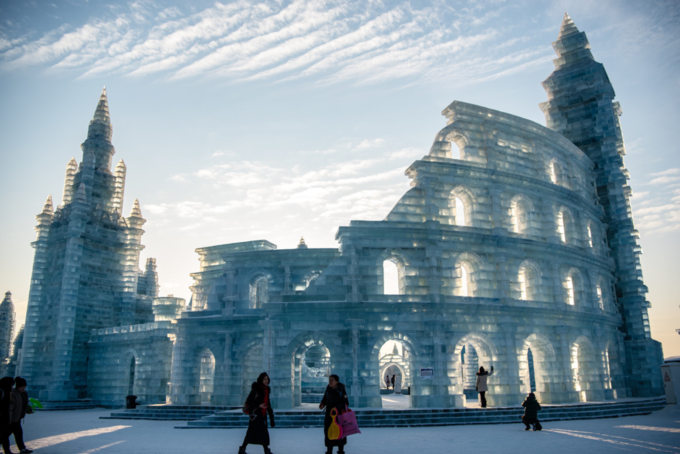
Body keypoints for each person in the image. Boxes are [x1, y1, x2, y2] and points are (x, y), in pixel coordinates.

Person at [239, 372, 275, 454]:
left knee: (259, 433)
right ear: (261, 380)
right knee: (256, 433)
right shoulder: (256, 389)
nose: (266, 381)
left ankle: (243, 449)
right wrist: (259, 405)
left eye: (267, 379)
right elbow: (249, 402)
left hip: (262, 415)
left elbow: (268, 404)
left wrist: (271, 417)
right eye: (264, 379)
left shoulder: (266, 390)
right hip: (255, 415)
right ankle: (265, 450)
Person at [319, 374, 349, 454]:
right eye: (329, 380)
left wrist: (337, 407)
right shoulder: (328, 389)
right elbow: (325, 399)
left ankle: (340, 451)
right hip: (329, 415)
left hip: (339, 416)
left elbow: (346, 403)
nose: (330, 382)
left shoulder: (341, 390)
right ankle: (329, 451)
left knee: (339, 432)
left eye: (332, 380)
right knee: (329, 432)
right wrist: (322, 404)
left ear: (337, 381)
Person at [9, 378, 31, 454]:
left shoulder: (24, 393)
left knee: (18, 433)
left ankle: (22, 449)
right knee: (6, 435)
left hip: (18, 418)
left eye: (24, 386)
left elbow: (24, 405)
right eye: (21, 387)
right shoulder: (13, 393)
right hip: (11, 419)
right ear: (17, 386)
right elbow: (11, 406)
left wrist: (28, 409)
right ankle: (21, 449)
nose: (23, 388)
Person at [0, 377, 15, 454]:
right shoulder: (2, 392)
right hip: (2, 417)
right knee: (4, 435)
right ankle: (7, 451)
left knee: (4, 435)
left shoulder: (7, 392)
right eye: (12, 385)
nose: (12, 387)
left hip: (5, 417)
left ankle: (7, 451)